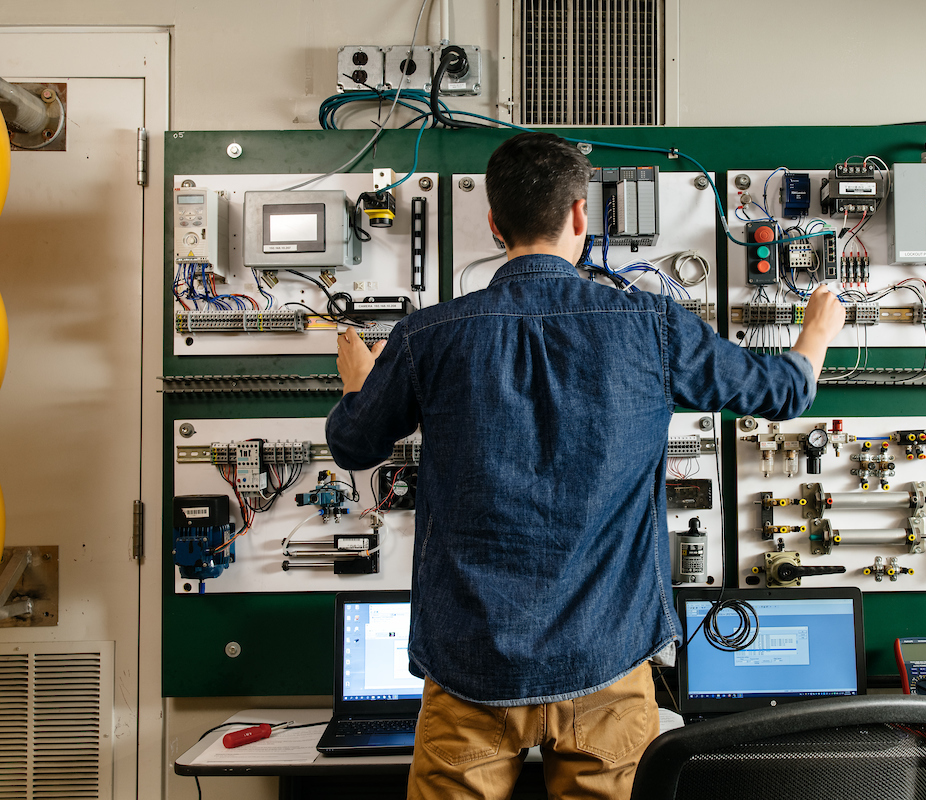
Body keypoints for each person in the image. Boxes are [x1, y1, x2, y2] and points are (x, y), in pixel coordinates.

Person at [326, 132, 846, 800]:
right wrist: (817, 332)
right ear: (580, 216)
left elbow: (352, 445)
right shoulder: (651, 326)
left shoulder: (428, 336)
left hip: (469, 669)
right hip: (607, 659)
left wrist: (356, 382)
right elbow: (784, 391)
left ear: (493, 223)